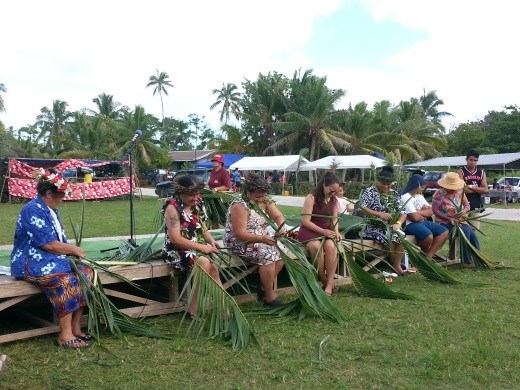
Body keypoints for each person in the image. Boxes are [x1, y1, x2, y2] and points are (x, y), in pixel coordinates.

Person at [10, 169, 92, 348]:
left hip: (49, 259)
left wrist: (70, 252)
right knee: (66, 280)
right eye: (61, 194)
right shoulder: (32, 209)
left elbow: (56, 243)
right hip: (29, 261)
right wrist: (73, 249)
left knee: (86, 273)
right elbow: (48, 244)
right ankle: (65, 335)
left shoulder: (50, 209)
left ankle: (76, 327)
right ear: (48, 193)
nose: (63, 198)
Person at [162, 175, 223, 319]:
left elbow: (203, 228)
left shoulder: (198, 203)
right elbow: (175, 238)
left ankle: (223, 306)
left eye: (196, 193)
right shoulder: (172, 208)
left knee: (212, 268)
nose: (195, 197)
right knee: (204, 262)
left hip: (194, 248)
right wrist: (202, 248)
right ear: (180, 193)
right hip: (176, 251)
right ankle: (193, 310)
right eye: (191, 194)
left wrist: (211, 241)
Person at [223, 173, 286, 307]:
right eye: (257, 196)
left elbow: (278, 216)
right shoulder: (240, 206)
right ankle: (269, 297)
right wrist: (262, 239)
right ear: (248, 192)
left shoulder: (265, 200)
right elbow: (240, 234)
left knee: (281, 253)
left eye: (262, 195)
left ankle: (263, 288)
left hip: (261, 238)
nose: (260, 199)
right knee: (268, 255)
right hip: (239, 242)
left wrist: (281, 227)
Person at [359, 166, 414, 275]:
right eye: (383, 183)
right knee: (391, 237)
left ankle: (396, 264)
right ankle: (396, 265)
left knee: (401, 236)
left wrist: (398, 223)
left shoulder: (394, 194)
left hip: (391, 227)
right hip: (372, 227)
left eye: (388, 184)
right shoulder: (370, 191)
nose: (385, 186)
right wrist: (379, 214)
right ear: (378, 181)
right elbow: (362, 207)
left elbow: (403, 213)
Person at [297, 172, 342, 295]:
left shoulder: (333, 200)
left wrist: (336, 232)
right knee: (316, 247)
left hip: (326, 232)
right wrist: (323, 231)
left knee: (331, 247)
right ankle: (323, 279)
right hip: (309, 231)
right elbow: (305, 221)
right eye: (331, 190)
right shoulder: (311, 197)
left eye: (335, 191)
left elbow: (334, 219)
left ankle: (329, 284)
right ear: (323, 185)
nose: (333, 193)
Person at [432, 172, 480, 268]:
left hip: (460, 220)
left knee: (472, 233)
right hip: (443, 222)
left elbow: (467, 205)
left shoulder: (460, 192)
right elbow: (435, 211)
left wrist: (463, 211)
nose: (453, 189)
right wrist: (449, 219)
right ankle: (466, 261)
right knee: (465, 231)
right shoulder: (439, 194)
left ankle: (478, 257)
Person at [399, 174, 449, 258]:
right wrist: (422, 214)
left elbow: (431, 210)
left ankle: (428, 257)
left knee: (444, 231)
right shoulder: (405, 196)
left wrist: (418, 212)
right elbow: (415, 218)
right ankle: (424, 255)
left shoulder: (419, 196)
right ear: (416, 186)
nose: (423, 189)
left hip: (421, 222)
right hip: (408, 224)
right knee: (428, 236)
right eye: (422, 187)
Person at [458, 150, 488, 229]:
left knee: (474, 229)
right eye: (471, 160)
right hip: (463, 203)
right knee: (462, 228)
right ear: (466, 159)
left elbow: (485, 190)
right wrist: (478, 189)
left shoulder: (481, 172)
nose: (473, 162)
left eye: (475, 160)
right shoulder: (461, 171)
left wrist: (470, 187)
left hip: (476, 202)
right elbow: (462, 189)